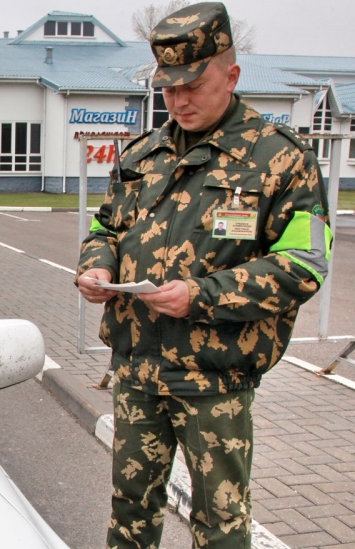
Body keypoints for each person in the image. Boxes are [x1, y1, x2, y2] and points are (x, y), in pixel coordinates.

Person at [75, 2, 332, 547]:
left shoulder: (279, 159)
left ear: (232, 75)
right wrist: (96, 264)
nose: (178, 100)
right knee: (129, 510)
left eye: (192, 84)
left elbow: (305, 264)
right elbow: (105, 228)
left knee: (219, 524)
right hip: (138, 371)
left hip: (215, 380)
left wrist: (202, 295)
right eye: (167, 87)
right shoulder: (143, 155)